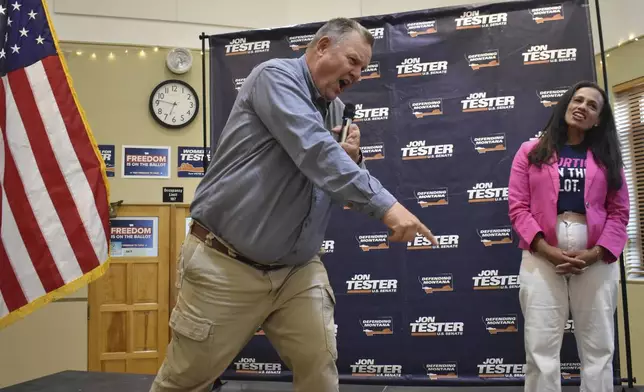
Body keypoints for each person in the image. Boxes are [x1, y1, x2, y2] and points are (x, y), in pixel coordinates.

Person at [150, 17, 437, 392]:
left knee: (319, 369)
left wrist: (353, 159)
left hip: (298, 271)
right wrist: (387, 206)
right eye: (353, 61)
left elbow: (335, 177)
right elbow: (315, 152)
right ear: (321, 47)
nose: (358, 74)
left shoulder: (336, 111)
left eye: (363, 68)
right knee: (186, 380)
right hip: (226, 263)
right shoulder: (275, 77)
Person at [508, 81, 630, 392]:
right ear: (566, 105)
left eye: (592, 106)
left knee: (599, 348)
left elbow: (619, 213)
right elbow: (518, 207)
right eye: (578, 100)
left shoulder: (608, 158)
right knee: (540, 348)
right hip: (540, 254)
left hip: (597, 257)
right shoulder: (530, 152)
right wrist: (545, 249)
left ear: (598, 119)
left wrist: (596, 254)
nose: (583, 107)